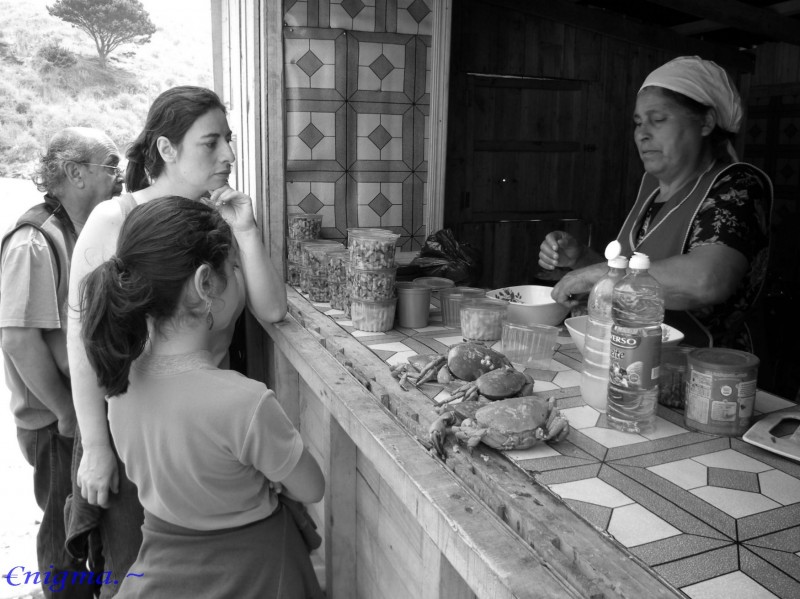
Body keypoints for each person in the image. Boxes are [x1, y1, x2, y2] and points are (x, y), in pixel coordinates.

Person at [65, 86, 289, 595]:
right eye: (210, 143)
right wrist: (97, 447)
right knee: (137, 574)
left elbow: (272, 310)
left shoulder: (220, 222)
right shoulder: (116, 219)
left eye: (228, 141)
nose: (228, 155)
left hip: (210, 442)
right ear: (166, 150)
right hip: (135, 439)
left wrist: (248, 231)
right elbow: (82, 342)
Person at [78, 197, 324, 598]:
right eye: (234, 269)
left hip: (163, 569)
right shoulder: (245, 403)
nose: (238, 278)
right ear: (205, 283)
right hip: (258, 574)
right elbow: (312, 487)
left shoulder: (120, 386)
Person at [538, 56, 772, 350]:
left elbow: (707, 279)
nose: (642, 134)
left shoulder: (737, 185)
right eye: (638, 123)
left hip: (703, 373)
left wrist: (593, 274)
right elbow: (630, 278)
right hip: (633, 359)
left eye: (658, 120)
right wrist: (580, 259)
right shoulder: (652, 188)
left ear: (706, 122)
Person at [0, 127, 123, 598]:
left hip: (71, 415)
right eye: (110, 166)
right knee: (63, 540)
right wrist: (67, 412)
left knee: (81, 531)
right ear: (75, 173)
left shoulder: (78, 229)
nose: (119, 178)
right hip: (54, 421)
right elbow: (17, 339)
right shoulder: (35, 240)